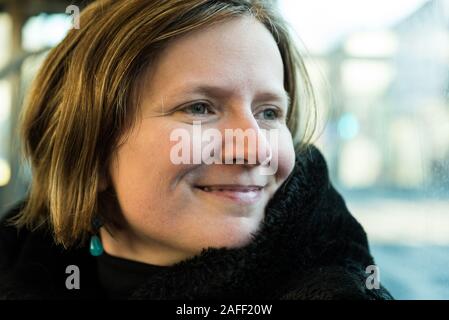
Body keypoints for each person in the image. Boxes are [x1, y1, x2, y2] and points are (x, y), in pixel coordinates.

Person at [0, 0, 392, 300]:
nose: (255, 148)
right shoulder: (18, 264)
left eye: (269, 113)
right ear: (89, 148)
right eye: (200, 108)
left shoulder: (339, 282)